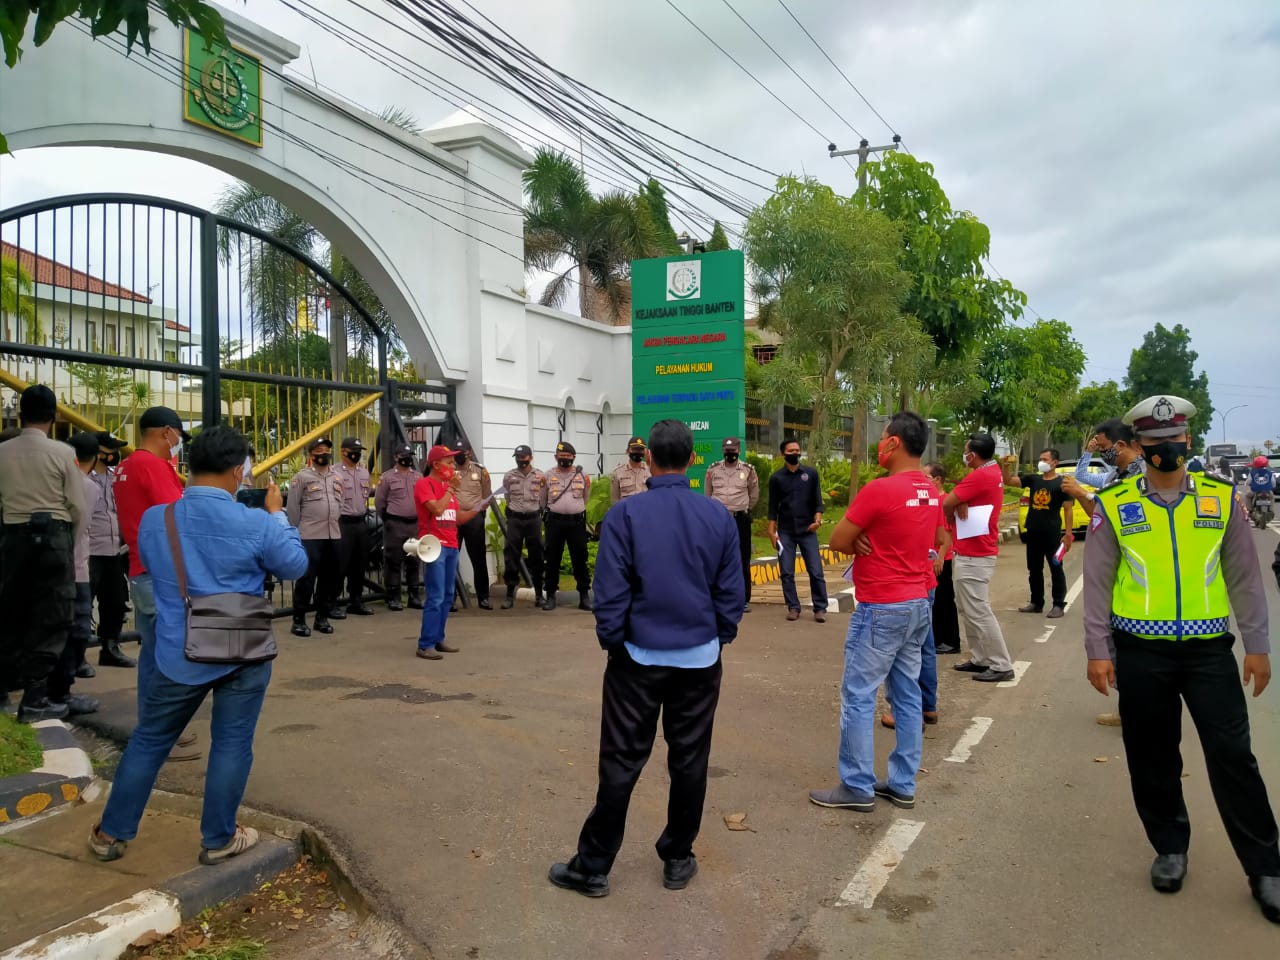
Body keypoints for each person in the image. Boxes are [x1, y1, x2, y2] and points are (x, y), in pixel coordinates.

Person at [1082, 394, 1279, 923]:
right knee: (1152, 753)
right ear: (1139, 447)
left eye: (1174, 440)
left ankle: (1265, 867)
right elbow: (1098, 584)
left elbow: (1244, 578)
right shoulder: (1116, 503)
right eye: (1154, 443)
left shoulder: (1220, 499)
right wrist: (1097, 650)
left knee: (1234, 755)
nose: (1166, 449)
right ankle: (1170, 846)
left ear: (1187, 440)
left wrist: (1257, 645)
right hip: (1140, 650)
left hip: (1209, 650)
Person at [88, 426, 308, 865]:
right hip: (244, 648)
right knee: (232, 742)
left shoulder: (158, 519)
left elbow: (152, 566)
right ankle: (218, 839)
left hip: (178, 648)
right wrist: (278, 516)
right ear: (236, 470)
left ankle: (110, 835)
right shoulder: (257, 522)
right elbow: (295, 565)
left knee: (150, 740)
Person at [548, 419, 743, 898]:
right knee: (690, 760)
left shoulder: (625, 516)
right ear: (694, 460)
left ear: (649, 459)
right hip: (698, 659)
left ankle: (593, 866)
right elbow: (730, 593)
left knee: (620, 761)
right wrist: (717, 637)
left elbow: (610, 592)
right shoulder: (717, 516)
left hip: (636, 658)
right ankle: (678, 857)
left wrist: (614, 642)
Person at [809, 413, 944, 812]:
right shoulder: (931, 491)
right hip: (918, 603)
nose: (879, 444)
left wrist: (860, 540)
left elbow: (837, 539)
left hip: (883, 604)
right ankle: (902, 783)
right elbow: (934, 536)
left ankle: (857, 785)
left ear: (896, 443)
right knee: (906, 695)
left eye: (883, 438)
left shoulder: (881, 490)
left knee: (859, 695)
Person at [0, 385, 87, 722]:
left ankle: (6, 688)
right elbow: (77, 506)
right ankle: (36, 698)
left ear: (21, 413)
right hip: (54, 536)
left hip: (13, 537)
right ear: (53, 417)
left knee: (12, 611)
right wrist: (70, 540)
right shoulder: (63, 453)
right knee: (51, 617)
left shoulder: (3, 452)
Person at [114, 406, 188, 714]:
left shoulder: (126, 466)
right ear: (165, 432)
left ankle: (151, 718)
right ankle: (161, 726)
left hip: (140, 567)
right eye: (178, 436)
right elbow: (176, 517)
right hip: (163, 571)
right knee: (168, 652)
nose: (178, 442)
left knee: (152, 650)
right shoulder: (153, 467)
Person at [943, 433, 1015, 682]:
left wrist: (956, 507)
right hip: (972, 550)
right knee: (968, 608)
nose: (964, 455)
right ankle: (980, 658)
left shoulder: (981, 475)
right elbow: (958, 499)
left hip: (975, 553)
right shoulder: (991, 471)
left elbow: (947, 502)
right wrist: (963, 503)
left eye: (966, 450)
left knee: (979, 611)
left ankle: (1001, 663)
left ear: (972, 454)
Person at [47, 432, 102, 716]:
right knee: (77, 629)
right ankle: (61, 693)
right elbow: (80, 528)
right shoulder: (88, 486)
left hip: (51, 563)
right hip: (76, 566)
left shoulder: (55, 479)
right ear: (92, 460)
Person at [414, 444, 479, 659]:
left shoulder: (447, 487)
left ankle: (438, 638)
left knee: (448, 595)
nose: (453, 467)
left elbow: (456, 517)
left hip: (451, 545)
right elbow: (437, 509)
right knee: (436, 595)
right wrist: (451, 488)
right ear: (436, 464)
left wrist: (478, 509)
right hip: (434, 546)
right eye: (449, 463)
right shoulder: (425, 484)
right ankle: (425, 644)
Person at [1004, 448, 1073, 618]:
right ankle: (1036, 602)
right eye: (1040, 458)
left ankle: (1058, 604)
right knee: (1034, 569)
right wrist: (1004, 466)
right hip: (1033, 531)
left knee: (1056, 568)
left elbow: (1068, 510)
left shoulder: (1063, 483)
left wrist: (1068, 534)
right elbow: (1010, 481)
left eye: (1045, 459)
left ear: (1055, 463)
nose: (1041, 462)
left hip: (1052, 534)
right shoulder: (1033, 479)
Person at [286, 438, 344, 638]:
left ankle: (322, 617)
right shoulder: (301, 478)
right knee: (306, 578)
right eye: (320, 451)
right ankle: (299, 620)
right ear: (311, 455)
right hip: (310, 535)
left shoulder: (337, 477)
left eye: (327, 450)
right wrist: (296, 532)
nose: (324, 454)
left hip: (332, 534)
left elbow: (341, 503)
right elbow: (293, 508)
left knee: (329, 578)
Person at [767, 438, 827, 623]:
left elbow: (817, 501)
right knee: (786, 571)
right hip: (786, 532)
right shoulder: (777, 478)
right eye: (791, 451)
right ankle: (793, 607)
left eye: (797, 450)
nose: (795, 453)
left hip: (808, 529)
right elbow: (772, 507)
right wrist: (771, 532)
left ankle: (820, 608)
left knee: (815, 570)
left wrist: (818, 520)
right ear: (783, 454)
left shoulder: (810, 474)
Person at [89, 431, 135, 668]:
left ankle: (110, 648)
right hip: (89, 550)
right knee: (82, 604)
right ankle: (75, 658)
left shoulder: (114, 477)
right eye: (110, 450)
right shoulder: (82, 478)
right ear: (97, 452)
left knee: (115, 603)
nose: (114, 455)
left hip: (113, 549)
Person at [705, 437, 758, 613]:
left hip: (740, 518)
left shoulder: (748, 470)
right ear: (723, 451)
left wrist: (744, 509)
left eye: (733, 451)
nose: (730, 454)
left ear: (739, 451)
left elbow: (753, 494)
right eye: (727, 451)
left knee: (742, 558)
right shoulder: (713, 470)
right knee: (716, 557)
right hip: (719, 519)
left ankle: (743, 599)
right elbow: (708, 493)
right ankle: (717, 596)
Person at [542, 441, 592, 612]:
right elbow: (543, 500)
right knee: (552, 559)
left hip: (576, 522)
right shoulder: (547, 476)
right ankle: (550, 595)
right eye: (561, 457)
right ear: (556, 457)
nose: (564, 460)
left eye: (568, 457)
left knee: (580, 559)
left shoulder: (582, 475)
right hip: (555, 522)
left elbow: (586, 498)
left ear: (574, 458)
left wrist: (573, 509)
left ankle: (584, 595)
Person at [1062, 419, 1144, 517]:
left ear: (1120, 445)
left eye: (1103, 447)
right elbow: (1099, 515)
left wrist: (1083, 493)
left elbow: (1129, 511)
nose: (1100, 451)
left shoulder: (1146, 473)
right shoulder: (1111, 477)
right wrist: (1088, 452)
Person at [375, 443, 423, 612]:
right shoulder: (387, 477)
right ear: (396, 457)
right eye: (404, 455)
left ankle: (413, 596)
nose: (407, 458)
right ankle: (394, 597)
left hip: (413, 524)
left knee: (413, 560)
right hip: (395, 524)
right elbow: (380, 503)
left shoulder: (418, 477)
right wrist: (388, 519)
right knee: (393, 560)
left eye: (410, 455)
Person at [501, 444, 546, 609]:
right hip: (515, 519)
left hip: (533, 519)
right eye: (518, 457)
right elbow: (507, 495)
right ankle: (509, 595)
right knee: (511, 557)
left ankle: (539, 595)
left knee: (537, 556)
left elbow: (543, 497)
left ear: (530, 457)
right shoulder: (509, 476)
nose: (521, 460)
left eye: (524, 457)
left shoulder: (540, 476)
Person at [335, 437, 373, 616]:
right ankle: (332, 601)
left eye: (359, 451)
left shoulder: (364, 472)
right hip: (342, 522)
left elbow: (368, 495)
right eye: (354, 451)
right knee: (339, 564)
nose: (357, 454)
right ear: (343, 452)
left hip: (360, 522)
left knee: (359, 564)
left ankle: (356, 600)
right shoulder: (334, 472)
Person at [925, 464, 961, 656]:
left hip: (941, 558)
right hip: (931, 557)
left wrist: (940, 556)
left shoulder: (944, 501)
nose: (924, 480)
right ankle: (939, 639)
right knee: (936, 601)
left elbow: (948, 532)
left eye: (927, 476)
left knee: (945, 600)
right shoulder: (931, 499)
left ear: (937, 479)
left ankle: (951, 641)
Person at [454, 443, 494, 610]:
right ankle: (451, 598)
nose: (458, 456)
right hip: (453, 519)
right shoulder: (448, 471)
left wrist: (478, 513)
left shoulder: (480, 471)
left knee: (478, 559)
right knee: (450, 560)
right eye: (456, 453)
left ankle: (483, 597)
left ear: (469, 453)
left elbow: (486, 495)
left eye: (461, 453)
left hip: (473, 518)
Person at [610, 436, 651, 504]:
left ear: (645, 452)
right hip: (626, 512)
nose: (638, 452)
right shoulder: (617, 472)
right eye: (635, 449)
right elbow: (615, 499)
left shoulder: (650, 471)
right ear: (627, 451)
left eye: (640, 449)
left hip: (645, 512)